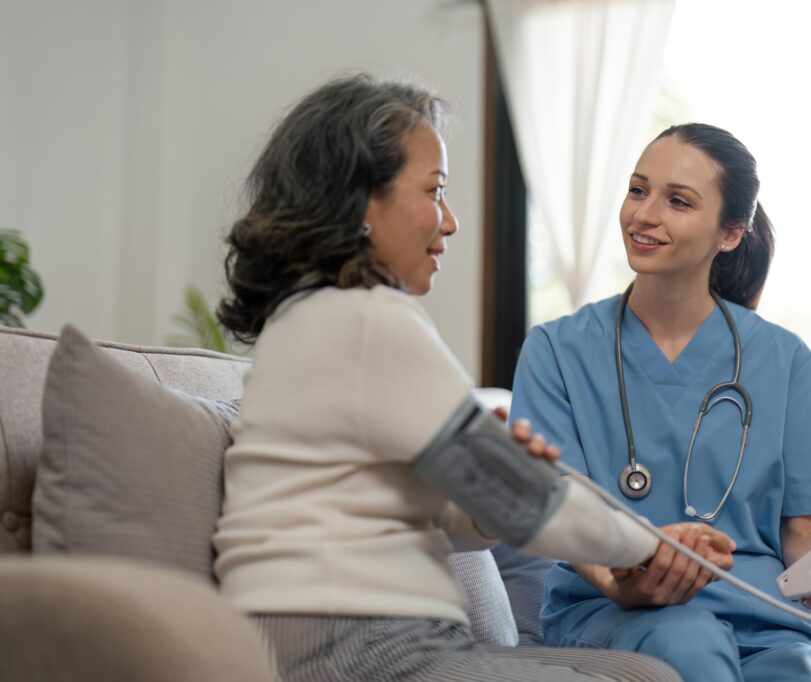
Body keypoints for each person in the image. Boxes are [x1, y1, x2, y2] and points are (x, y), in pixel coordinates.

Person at [210, 74, 710, 682]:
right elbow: (532, 506)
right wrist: (653, 544)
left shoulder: (314, 319)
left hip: (366, 636)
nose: (449, 222)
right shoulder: (367, 320)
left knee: (645, 674)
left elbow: (456, 513)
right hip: (349, 646)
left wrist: (494, 492)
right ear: (360, 201)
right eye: (434, 191)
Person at [508, 123, 811, 681]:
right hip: (611, 608)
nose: (644, 214)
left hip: (763, 611)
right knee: (690, 642)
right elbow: (553, 508)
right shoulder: (556, 351)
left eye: (677, 201)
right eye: (638, 190)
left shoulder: (783, 359)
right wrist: (622, 579)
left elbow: (802, 528)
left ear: (729, 233)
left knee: (805, 672)